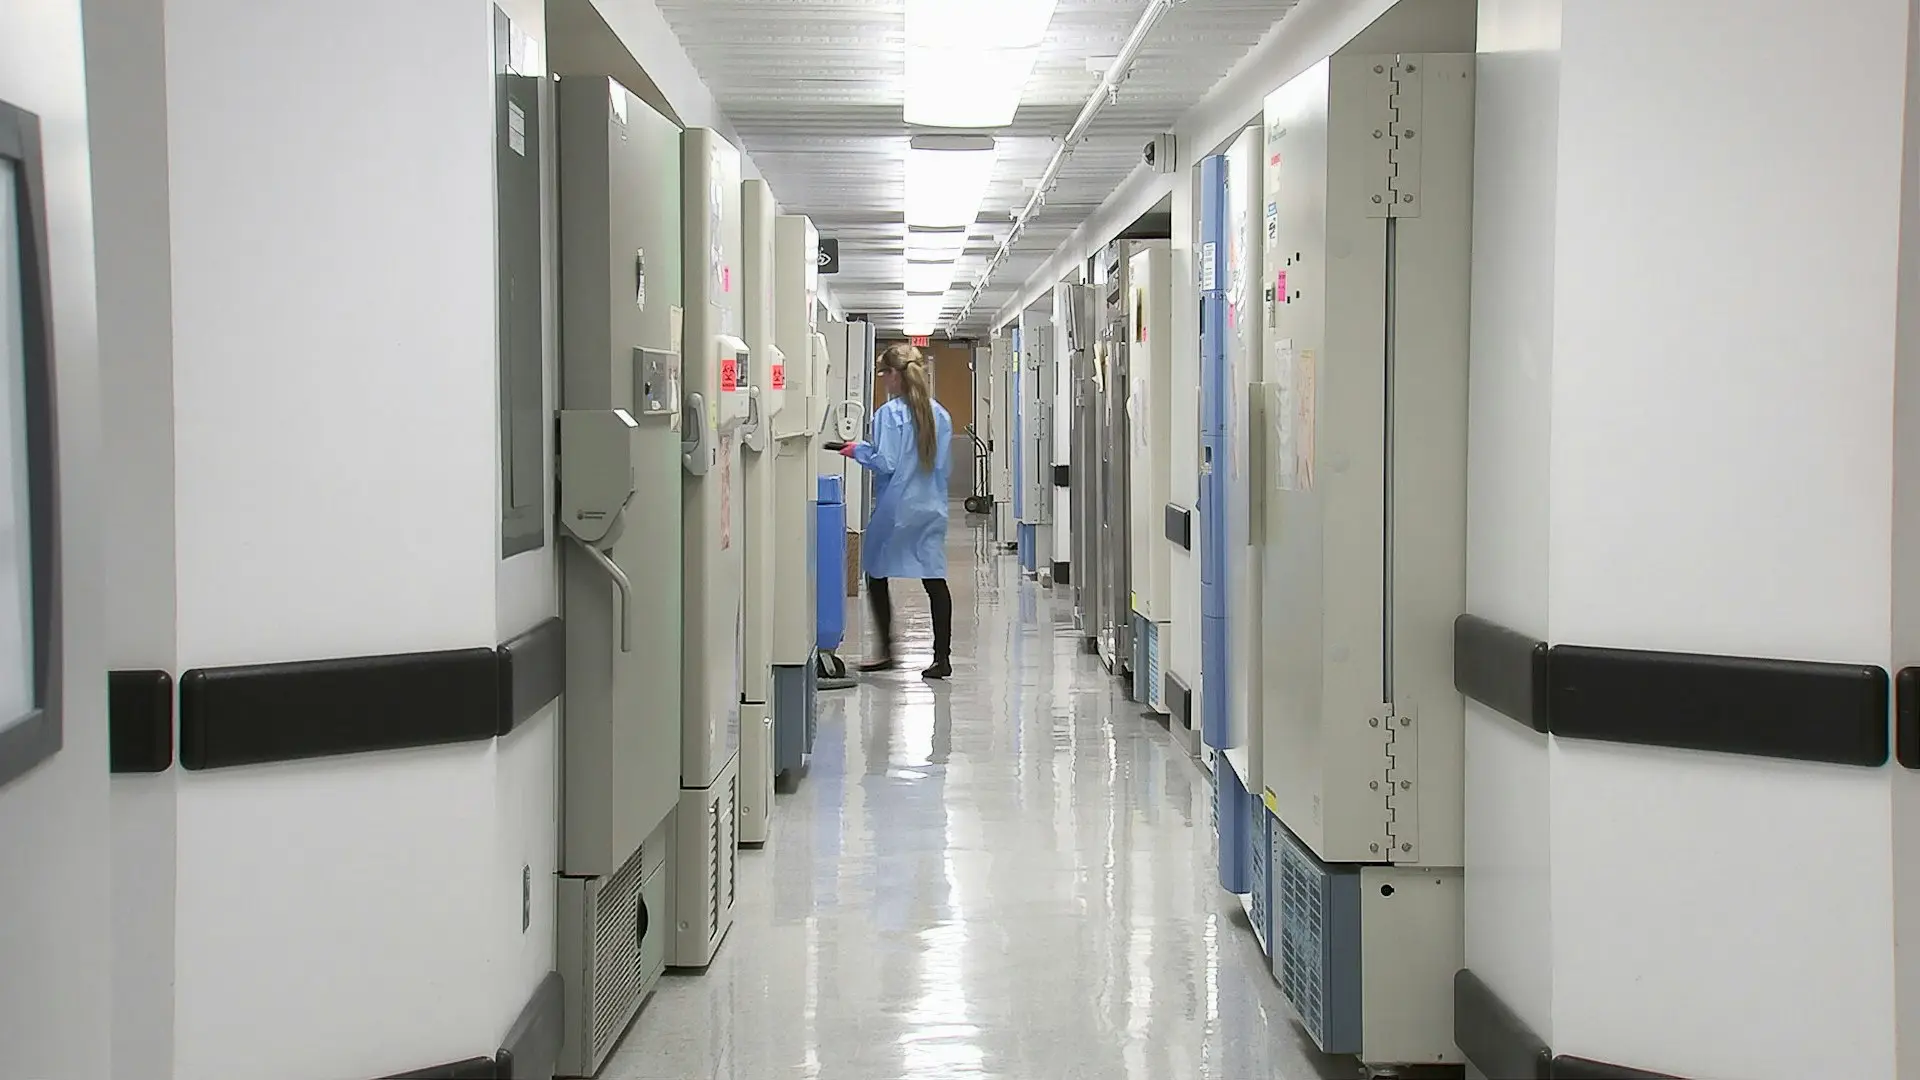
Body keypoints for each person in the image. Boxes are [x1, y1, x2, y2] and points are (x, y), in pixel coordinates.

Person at [839, 343, 955, 679]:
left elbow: (886, 461)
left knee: (875, 572)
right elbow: (943, 466)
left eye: (884, 373)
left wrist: (857, 450)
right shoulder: (941, 415)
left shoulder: (888, 416)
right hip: (931, 506)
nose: (883, 381)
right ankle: (941, 658)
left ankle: (887, 652)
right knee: (934, 579)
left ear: (894, 376)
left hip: (896, 508)